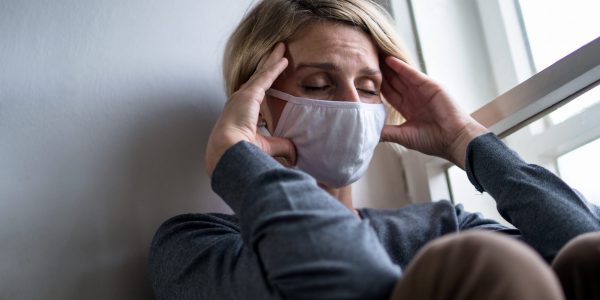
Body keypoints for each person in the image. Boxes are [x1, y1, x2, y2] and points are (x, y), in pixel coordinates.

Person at [148, 0, 600, 299]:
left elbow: (587, 248)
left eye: (368, 88)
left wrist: (465, 140)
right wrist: (235, 157)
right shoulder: (193, 242)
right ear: (259, 102)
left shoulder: (442, 224)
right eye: (318, 84)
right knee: (488, 264)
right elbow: (350, 280)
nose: (350, 104)